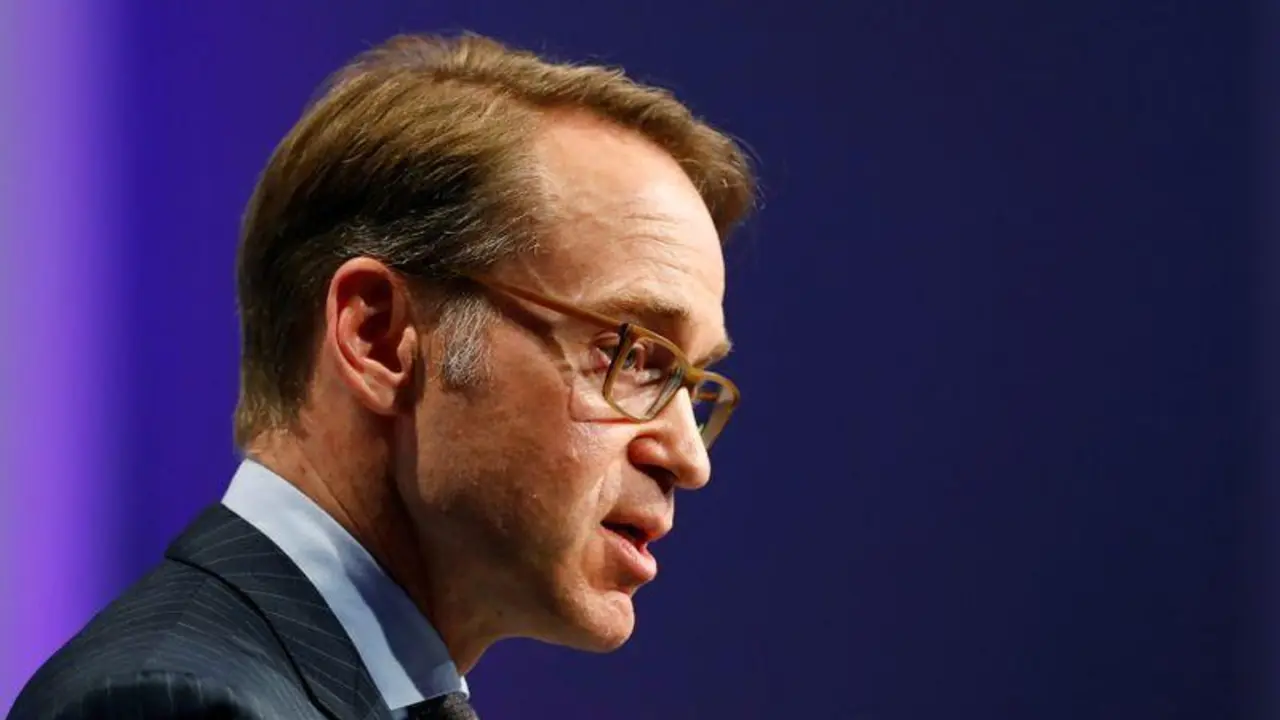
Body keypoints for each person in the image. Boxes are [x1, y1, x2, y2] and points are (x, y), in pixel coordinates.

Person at [9, 31, 755, 720]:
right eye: (631, 356)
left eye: (693, 382)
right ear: (378, 337)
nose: (689, 458)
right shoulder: (177, 705)